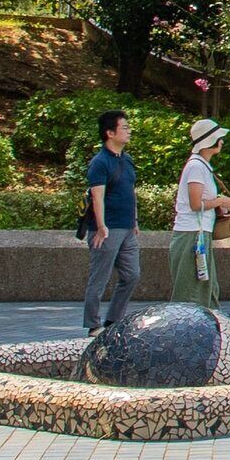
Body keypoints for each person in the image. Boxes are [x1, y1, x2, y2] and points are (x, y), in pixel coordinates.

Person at [81, 108, 141, 333]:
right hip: (107, 228)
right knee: (99, 278)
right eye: (124, 128)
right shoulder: (100, 162)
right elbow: (97, 196)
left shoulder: (127, 160)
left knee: (132, 274)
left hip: (127, 227)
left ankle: (113, 321)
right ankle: (93, 324)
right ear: (110, 133)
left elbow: (131, 191)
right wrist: (101, 226)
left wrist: (134, 220)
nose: (128, 131)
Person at [171, 118, 230, 314]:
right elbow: (194, 204)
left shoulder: (202, 167)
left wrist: (218, 205)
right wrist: (219, 202)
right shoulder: (196, 167)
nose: (222, 142)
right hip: (191, 234)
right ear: (209, 141)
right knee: (191, 291)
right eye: (219, 138)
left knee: (206, 288)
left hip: (199, 233)